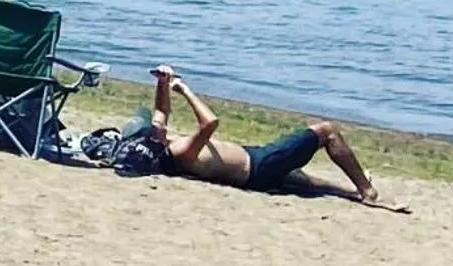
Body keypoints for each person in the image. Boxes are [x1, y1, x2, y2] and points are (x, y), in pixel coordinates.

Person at [124, 66, 403, 208]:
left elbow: (161, 109)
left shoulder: (160, 143)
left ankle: (353, 190)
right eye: (152, 126)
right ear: (153, 138)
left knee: (312, 184)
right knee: (326, 130)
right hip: (259, 167)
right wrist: (184, 90)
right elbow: (210, 122)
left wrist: (162, 81)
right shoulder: (180, 151)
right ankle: (368, 192)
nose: (156, 123)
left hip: (254, 161)